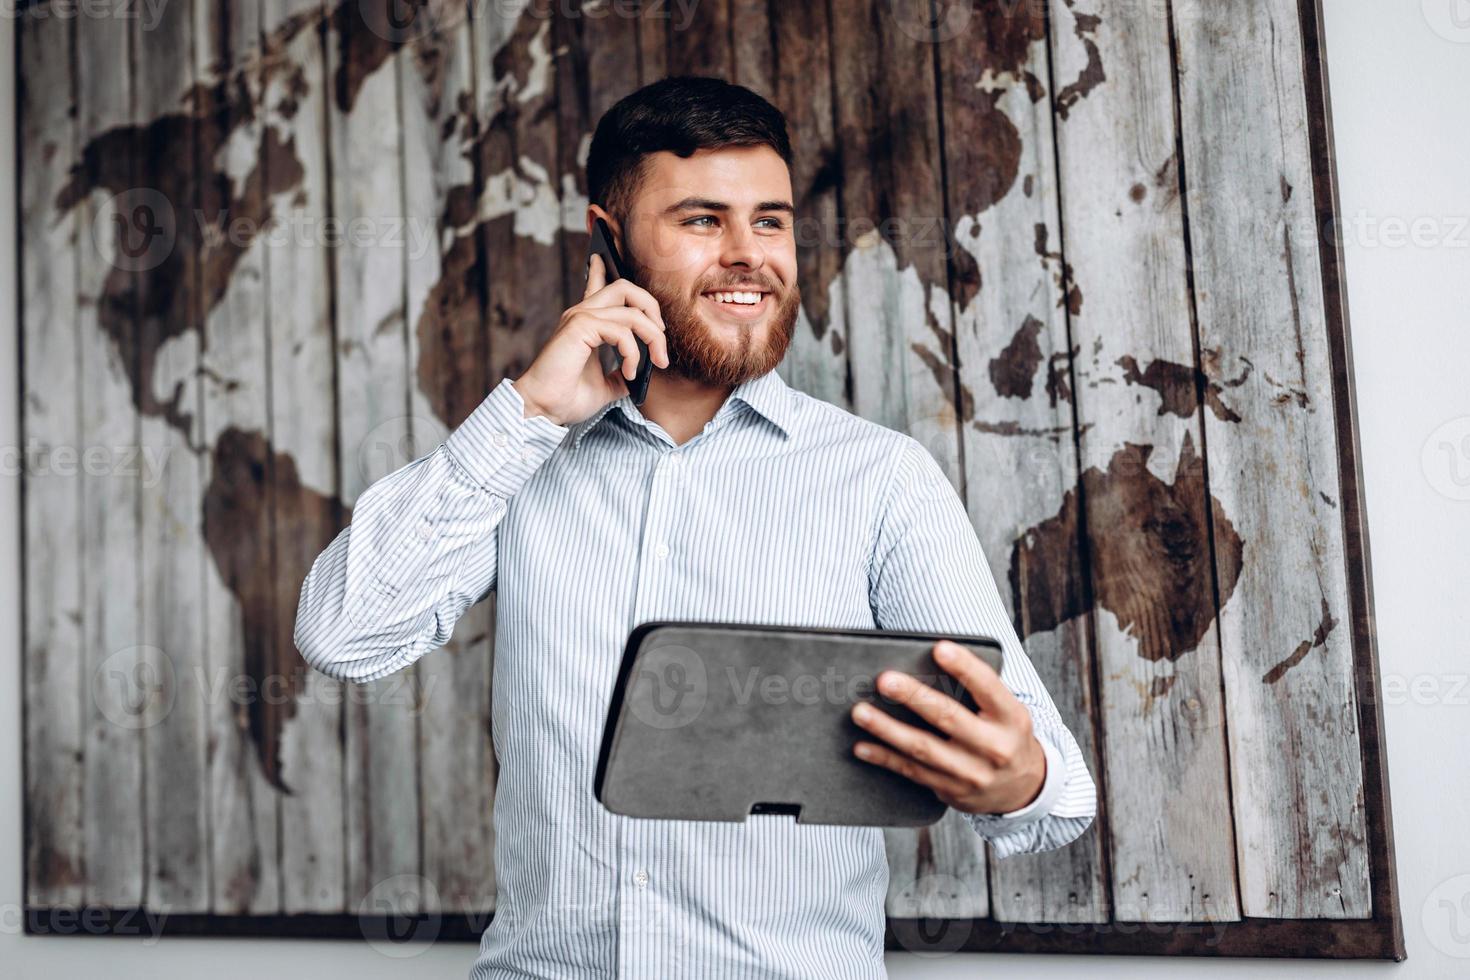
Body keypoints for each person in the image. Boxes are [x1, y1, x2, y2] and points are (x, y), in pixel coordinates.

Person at [295, 75, 1096, 979]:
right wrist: (527, 413)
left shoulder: (880, 480)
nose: (750, 254)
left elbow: (1054, 791)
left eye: (771, 220)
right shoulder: (521, 461)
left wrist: (1015, 779)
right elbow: (344, 634)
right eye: (702, 220)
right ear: (608, 241)